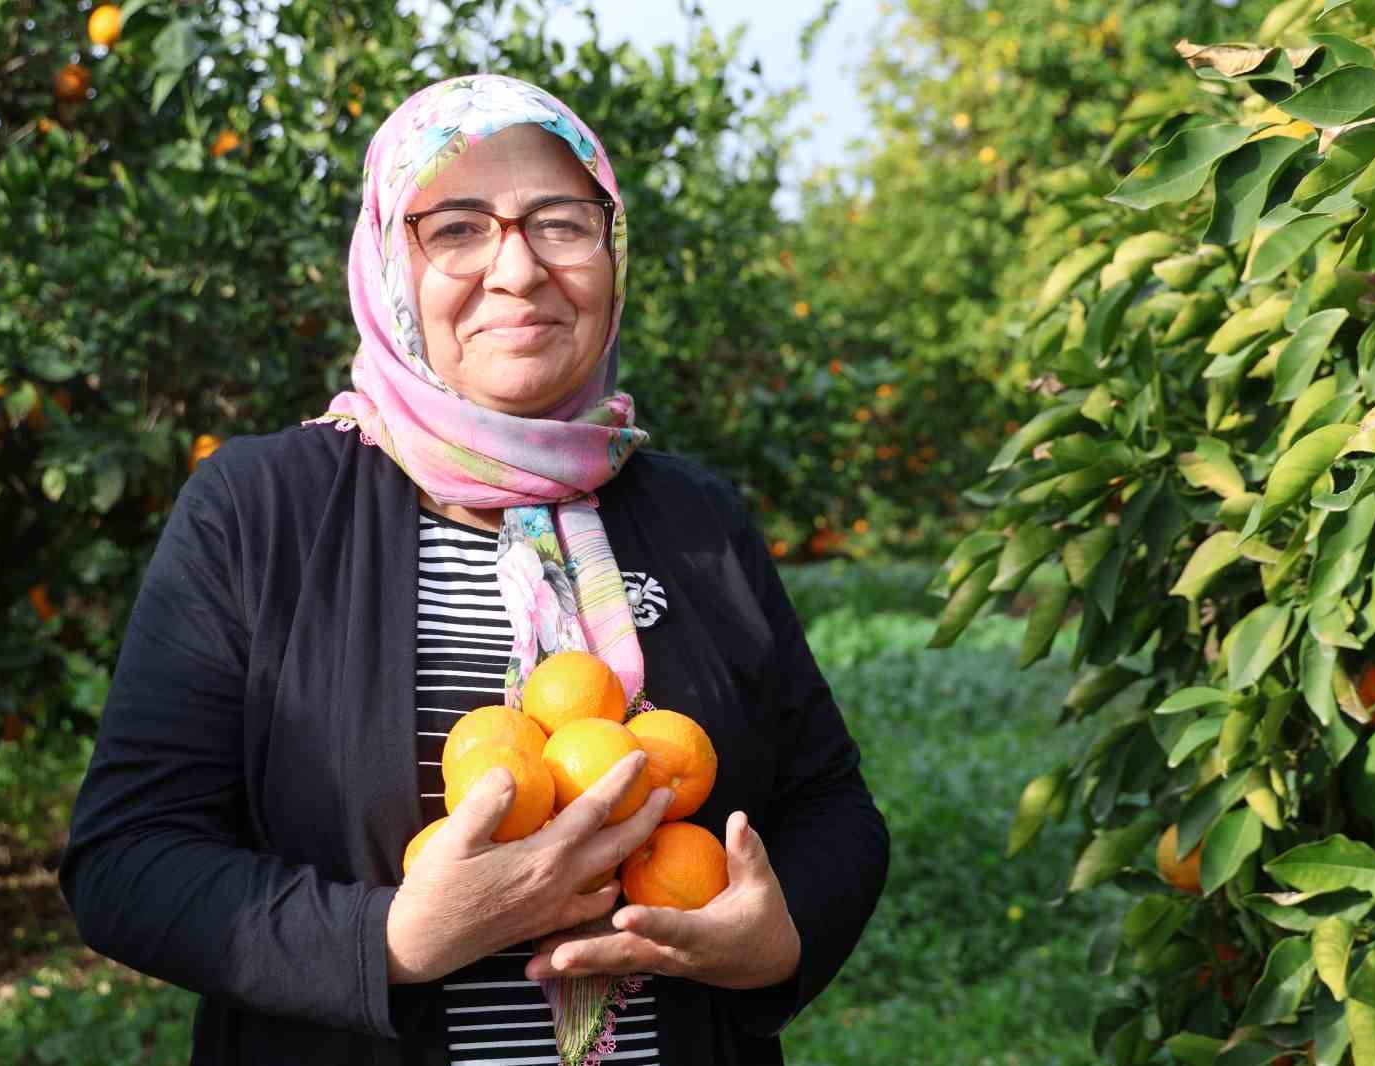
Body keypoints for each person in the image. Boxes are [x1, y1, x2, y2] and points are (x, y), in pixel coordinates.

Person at [59, 73, 888, 1066]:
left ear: (612, 250)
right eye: (456, 228)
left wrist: (779, 938)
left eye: (561, 223)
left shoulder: (693, 516)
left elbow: (830, 803)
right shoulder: (257, 510)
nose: (518, 269)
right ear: (386, 261)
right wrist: (389, 939)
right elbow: (127, 860)